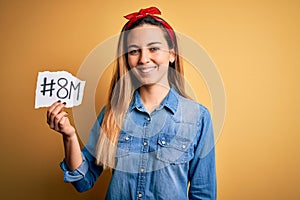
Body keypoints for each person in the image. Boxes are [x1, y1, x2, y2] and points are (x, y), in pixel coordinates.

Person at [47, 6, 216, 200]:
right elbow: (82, 181)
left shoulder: (198, 118)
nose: (144, 59)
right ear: (127, 59)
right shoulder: (111, 114)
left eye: (154, 48)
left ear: (172, 54)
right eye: (134, 51)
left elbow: (203, 194)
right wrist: (69, 136)